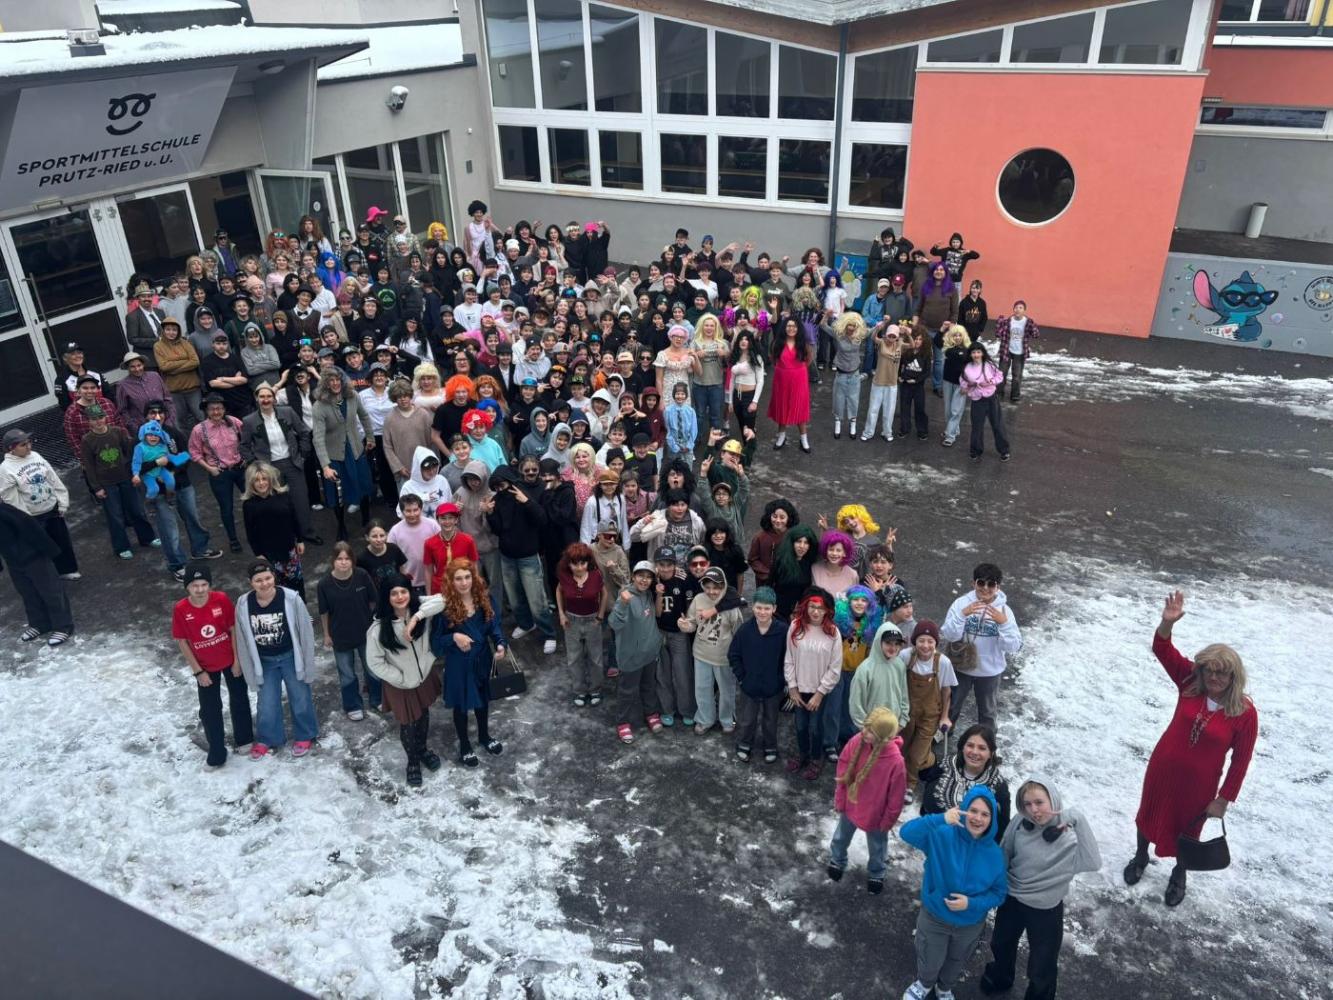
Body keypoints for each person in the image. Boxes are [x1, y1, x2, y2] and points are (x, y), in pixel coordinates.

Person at [1125, 590, 1258, 907]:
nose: (1214, 677)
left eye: (1221, 672)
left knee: (1188, 829)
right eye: (1209, 669)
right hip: (1163, 768)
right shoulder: (1190, 683)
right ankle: (1141, 856)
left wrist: (1223, 799)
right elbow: (1162, 648)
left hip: (1199, 784)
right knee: (1148, 815)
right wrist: (1167, 623)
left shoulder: (1244, 713)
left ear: (1233, 676)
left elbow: (1241, 761)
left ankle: (1179, 873)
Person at [980, 777, 1102, 1000]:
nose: (1034, 810)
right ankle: (1000, 977)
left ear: (1053, 800)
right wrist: (993, 884)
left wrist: (1078, 818)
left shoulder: (1068, 838)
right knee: (1001, 943)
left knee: (1042, 963)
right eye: (1028, 804)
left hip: (1046, 909)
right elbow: (1004, 852)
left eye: (1039, 802)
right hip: (1012, 898)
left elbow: (1093, 862)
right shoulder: (1020, 822)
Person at [899, 787, 1008, 1000]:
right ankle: (924, 983)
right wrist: (940, 818)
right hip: (935, 917)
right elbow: (906, 833)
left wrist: (971, 904)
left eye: (985, 814)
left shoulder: (995, 855)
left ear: (992, 819)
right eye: (973, 811)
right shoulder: (941, 834)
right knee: (930, 956)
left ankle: (944, 988)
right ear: (962, 809)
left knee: (957, 960)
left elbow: (999, 893)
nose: (978, 818)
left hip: (969, 924)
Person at [366, 575, 447, 786]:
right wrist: (400, 678)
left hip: (423, 675)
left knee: (423, 714)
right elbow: (374, 662)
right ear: (386, 597)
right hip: (401, 684)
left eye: (403, 591)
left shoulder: (419, 608)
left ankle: (422, 749)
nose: (400, 597)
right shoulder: (377, 629)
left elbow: (443, 599)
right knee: (409, 723)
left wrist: (417, 617)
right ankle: (412, 761)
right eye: (394, 593)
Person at [233, 559, 319, 759]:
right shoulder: (243, 604)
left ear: (274, 577)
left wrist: (308, 662)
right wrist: (247, 666)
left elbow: (306, 631)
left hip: (291, 657)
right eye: (258, 580)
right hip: (265, 661)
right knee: (266, 702)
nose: (264, 584)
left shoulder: (291, 598)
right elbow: (242, 638)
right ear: (250, 582)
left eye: (268, 578)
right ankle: (268, 738)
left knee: (300, 697)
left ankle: (305, 734)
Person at [172, 564, 253, 767]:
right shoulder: (181, 609)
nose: (200, 590)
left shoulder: (221, 599)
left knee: (239, 698)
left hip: (229, 659)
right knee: (210, 709)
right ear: (187, 587)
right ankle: (217, 751)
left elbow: (233, 630)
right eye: (195, 585)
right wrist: (198, 671)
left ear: (209, 585)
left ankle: (244, 739)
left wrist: (237, 660)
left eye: (204, 584)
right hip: (205, 666)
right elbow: (182, 641)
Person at [429, 557, 507, 767]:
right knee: (461, 706)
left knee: (483, 700)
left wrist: (500, 643)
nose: (464, 583)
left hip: (482, 658)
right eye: (458, 579)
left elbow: (494, 626)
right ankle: (464, 745)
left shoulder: (484, 599)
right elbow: (435, 642)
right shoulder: (444, 607)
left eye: (467, 577)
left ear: (474, 577)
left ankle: (484, 736)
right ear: (451, 581)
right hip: (459, 664)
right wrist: (454, 637)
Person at [826, 707, 907, 895]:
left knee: (877, 846)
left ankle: (877, 873)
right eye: (865, 727)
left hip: (876, 814)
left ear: (883, 737)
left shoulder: (896, 761)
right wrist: (840, 797)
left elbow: (896, 796)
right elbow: (843, 767)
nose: (864, 732)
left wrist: (888, 820)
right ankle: (837, 860)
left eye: (870, 731)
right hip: (852, 804)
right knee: (840, 837)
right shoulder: (857, 741)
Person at [941, 563, 1023, 733]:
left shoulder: (1004, 611)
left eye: (991, 584)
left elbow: (1013, 646)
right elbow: (949, 635)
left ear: (998, 587)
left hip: (989, 672)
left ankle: (987, 743)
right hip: (961, 666)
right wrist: (962, 615)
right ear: (973, 583)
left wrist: (1004, 624)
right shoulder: (961, 604)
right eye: (981, 583)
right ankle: (943, 734)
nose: (985, 588)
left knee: (987, 713)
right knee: (951, 705)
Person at [487, 464, 558, 655]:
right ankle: (526, 624)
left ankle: (549, 634)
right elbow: (497, 530)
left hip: (528, 557)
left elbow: (542, 519)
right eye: (496, 487)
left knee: (537, 600)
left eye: (503, 486)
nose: (500, 490)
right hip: (507, 556)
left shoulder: (524, 495)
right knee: (515, 598)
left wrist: (527, 502)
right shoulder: (497, 500)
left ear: (511, 482)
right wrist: (490, 514)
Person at [240, 384, 318, 544]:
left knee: (301, 500)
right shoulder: (249, 421)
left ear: (274, 399)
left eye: (269, 396)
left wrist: (303, 454)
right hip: (269, 468)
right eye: (262, 397)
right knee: (279, 504)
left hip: (292, 462)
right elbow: (244, 446)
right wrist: (256, 465)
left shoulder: (287, 412)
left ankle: (307, 533)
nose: (265, 400)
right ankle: (288, 536)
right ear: (256, 399)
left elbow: (303, 432)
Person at [79, 405, 158, 559]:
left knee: (137, 510)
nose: (98, 421)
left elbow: (130, 451)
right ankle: (121, 547)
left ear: (106, 417)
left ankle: (147, 538)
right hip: (106, 483)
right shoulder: (87, 440)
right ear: (89, 421)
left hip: (126, 478)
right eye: (94, 419)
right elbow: (89, 465)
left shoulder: (117, 432)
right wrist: (96, 487)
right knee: (115, 516)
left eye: (100, 417)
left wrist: (135, 473)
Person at [0, 429, 79, 579]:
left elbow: (52, 478)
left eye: (29, 442)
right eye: (23, 445)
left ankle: (67, 570)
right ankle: (50, 577)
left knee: (62, 540)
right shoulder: (5, 468)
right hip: (34, 516)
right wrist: (26, 519)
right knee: (41, 548)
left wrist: (62, 502)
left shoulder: (35, 456)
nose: (29, 447)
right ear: (11, 448)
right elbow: (11, 498)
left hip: (52, 508)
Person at [678, 566, 747, 736]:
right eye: (707, 587)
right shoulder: (698, 599)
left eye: (716, 587)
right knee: (702, 689)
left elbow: (738, 633)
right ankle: (704, 719)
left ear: (723, 586)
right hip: (701, 654)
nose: (711, 591)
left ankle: (727, 719)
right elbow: (692, 622)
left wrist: (737, 657)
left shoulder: (731, 607)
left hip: (723, 657)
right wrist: (685, 625)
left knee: (726, 690)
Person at [783, 588, 842, 781]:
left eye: (820, 608)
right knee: (800, 725)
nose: (815, 612)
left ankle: (816, 759)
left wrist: (820, 693)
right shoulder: (795, 626)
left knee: (816, 727)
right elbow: (789, 659)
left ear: (827, 611)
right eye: (812, 607)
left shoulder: (833, 633)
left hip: (819, 691)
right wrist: (792, 687)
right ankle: (803, 755)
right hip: (799, 689)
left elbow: (835, 668)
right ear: (805, 607)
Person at [317, 542, 381, 721]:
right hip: (340, 635)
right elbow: (324, 612)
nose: (343, 562)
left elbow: (373, 600)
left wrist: (369, 620)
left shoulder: (362, 575)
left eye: (347, 558)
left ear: (352, 560)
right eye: (339, 559)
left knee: (372, 668)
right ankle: (353, 705)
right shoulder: (324, 584)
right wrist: (326, 634)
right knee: (346, 673)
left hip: (365, 632)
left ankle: (377, 698)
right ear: (333, 561)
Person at [0, 499, 74, 647]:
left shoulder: (4, 510)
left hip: (33, 556)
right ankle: (40, 623)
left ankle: (63, 626)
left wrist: (50, 550)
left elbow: (28, 524)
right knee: (28, 593)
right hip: (13, 561)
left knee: (51, 591)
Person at [313, 368, 376, 539]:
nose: (335, 383)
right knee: (336, 494)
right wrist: (325, 466)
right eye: (331, 380)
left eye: (338, 380)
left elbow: (364, 416)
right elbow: (318, 438)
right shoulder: (319, 406)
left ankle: (366, 521)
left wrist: (370, 437)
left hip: (355, 449)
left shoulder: (353, 396)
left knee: (364, 486)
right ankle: (341, 526)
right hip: (335, 455)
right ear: (325, 383)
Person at [899, 620, 958, 804]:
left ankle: (909, 785)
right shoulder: (906, 656)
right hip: (907, 713)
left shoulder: (943, 662)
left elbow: (946, 691)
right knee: (902, 748)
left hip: (930, 715)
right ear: (914, 641)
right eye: (921, 641)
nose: (925, 646)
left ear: (935, 643)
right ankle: (919, 764)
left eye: (930, 641)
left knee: (916, 755)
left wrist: (945, 717)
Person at [921, 724, 1012, 841]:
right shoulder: (945, 766)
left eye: (982, 748)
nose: (974, 752)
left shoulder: (997, 786)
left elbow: (1002, 824)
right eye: (970, 745)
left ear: (991, 753)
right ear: (962, 747)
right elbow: (928, 791)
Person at [728, 586, 786, 763]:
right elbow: (734, 654)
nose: (762, 612)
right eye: (759, 607)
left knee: (771, 719)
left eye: (767, 608)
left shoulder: (783, 631)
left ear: (774, 609)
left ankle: (770, 745)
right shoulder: (745, 630)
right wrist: (742, 678)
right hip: (750, 685)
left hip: (773, 686)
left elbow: (788, 658)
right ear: (752, 607)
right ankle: (744, 743)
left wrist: (781, 680)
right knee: (747, 718)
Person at [609, 560, 665, 744]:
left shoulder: (648, 594)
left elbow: (656, 614)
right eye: (641, 576)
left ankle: (651, 713)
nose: (644, 580)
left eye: (648, 577)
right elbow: (614, 624)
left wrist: (659, 595)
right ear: (633, 577)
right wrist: (623, 604)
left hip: (649, 653)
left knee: (649, 686)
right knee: (627, 691)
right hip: (630, 656)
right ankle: (622, 722)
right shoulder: (625, 596)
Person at [188, 394, 247, 553]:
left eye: (219, 408)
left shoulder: (233, 422)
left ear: (224, 409)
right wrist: (209, 468)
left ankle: (256, 530)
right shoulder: (199, 429)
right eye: (212, 409)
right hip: (219, 473)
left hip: (240, 468)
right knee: (226, 508)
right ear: (206, 411)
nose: (216, 412)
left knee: (251, 501)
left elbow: (247, 438)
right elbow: (194, 452)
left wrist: (246, 458)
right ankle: (233, 539)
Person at [241, 462, 305, 599]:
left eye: (264, 478)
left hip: (289, 549)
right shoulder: (248, 505)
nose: (261, 483)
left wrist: (300, 540)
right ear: (251, 483)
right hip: (268, 555)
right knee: (275, 587)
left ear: (271, 479)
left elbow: (295, 519)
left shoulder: (284, 496)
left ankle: (301, 608)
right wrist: (258, 553)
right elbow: (250, 532)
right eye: (257, 480)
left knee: (296, 583)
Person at [556, 541, 606, 708]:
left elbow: (604, 593)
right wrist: (561, 613)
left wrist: (600, 616)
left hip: (592, 620)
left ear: (588, 562)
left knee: (596, 658)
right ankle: (579, 691)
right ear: (568, 564)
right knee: (574, 658)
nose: (579, 567)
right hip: (572, 621)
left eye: (583, 563)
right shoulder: (564, 577)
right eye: (575, 564)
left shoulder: (596, 575)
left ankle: (595, 690)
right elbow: (558, 591)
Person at [767, 316, 812, 453]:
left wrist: (796, 371)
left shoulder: (803, 344)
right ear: (784, 328)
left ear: (798, 328)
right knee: (782, 406)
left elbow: (808, 360)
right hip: (781, 379)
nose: (791, 328)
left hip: (799, 379)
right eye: (788, 326)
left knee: (800, 407)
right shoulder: (777, 343)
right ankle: (781, 436)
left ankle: (804, 439)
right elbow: (773, 359)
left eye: (794, 326)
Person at [959, 343, 1010, 462]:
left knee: (997, 425)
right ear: (970, 354)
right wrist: (969, 386)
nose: (976, 355)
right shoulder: (967, 368)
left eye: (978, 352)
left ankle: (1004, 450)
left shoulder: (989, 365)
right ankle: (975, 451)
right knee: (977, 427)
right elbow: (963, 385)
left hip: (991, 399)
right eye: (973, 352)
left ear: (982, 353)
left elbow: (1000, 376)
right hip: (977, 401)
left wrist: (991, 381)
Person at [861, 322, 902, 443]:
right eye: (889, 335)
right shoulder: (881, 342)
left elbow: (912, 345)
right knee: (873, 409)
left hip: (892, 383)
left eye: (894, 336)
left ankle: (887, 432)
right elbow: (873, 337)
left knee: (889, 410)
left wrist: (907, 334)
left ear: (897, 336)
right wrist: (877, 329)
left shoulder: (900, 344)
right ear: (886, 335)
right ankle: (868, 432)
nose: (891, 338)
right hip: (878, 382)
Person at [995, 300, 1039, 403]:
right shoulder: (1008, 321)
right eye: (1016, 308)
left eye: (1020, 308)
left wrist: (1032, 326)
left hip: (1020, 352)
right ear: (1013, 309)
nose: (1018, 310)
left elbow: (1036, 335)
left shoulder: (1028, 322)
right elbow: (998, 334)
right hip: (1006, 350)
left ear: (1024, 310)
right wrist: (999, 323)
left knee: (1017, 376)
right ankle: (999, 393)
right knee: (1002, 373)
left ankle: (1015, 395)